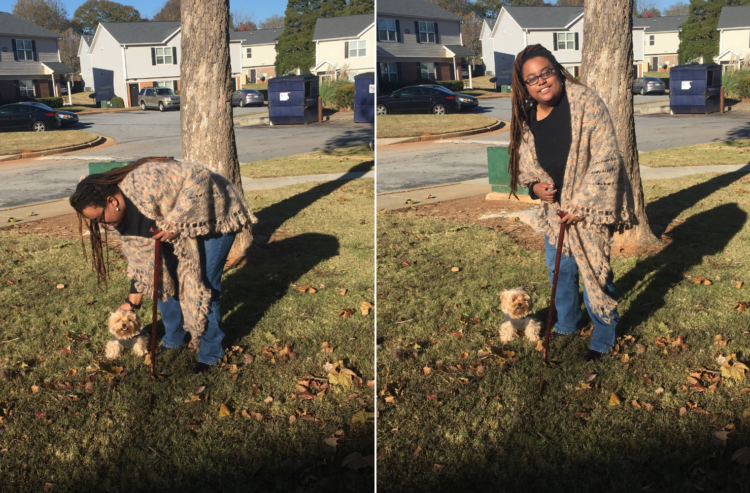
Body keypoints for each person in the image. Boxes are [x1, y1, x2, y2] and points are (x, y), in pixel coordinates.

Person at [69, 157, 257, 373]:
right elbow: (144, 267)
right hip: (177, 227)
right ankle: (175, 338)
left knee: (201, 283)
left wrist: (176, 222)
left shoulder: (144, 180)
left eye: (100, 218)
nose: (102, 224)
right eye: (95, 222)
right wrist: (132, 302)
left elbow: (200, 177)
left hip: (214, 212)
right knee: (162, 281)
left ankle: (211, 353)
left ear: (112, 201)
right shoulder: (121, 223)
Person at [507, 45, 635, 361]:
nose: (541, 81)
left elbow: (606, 158)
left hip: (588, 212)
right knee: (559, 271)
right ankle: (566, 322)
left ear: (558, 71)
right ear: (525, 86)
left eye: (546, 72)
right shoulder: (527, 117)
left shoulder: (586, 103)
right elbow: (527, 169)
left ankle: (603, 339)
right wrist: (536, 189)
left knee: (595, 274)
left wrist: (579, 204)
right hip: (554, 214)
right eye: (532, 78)